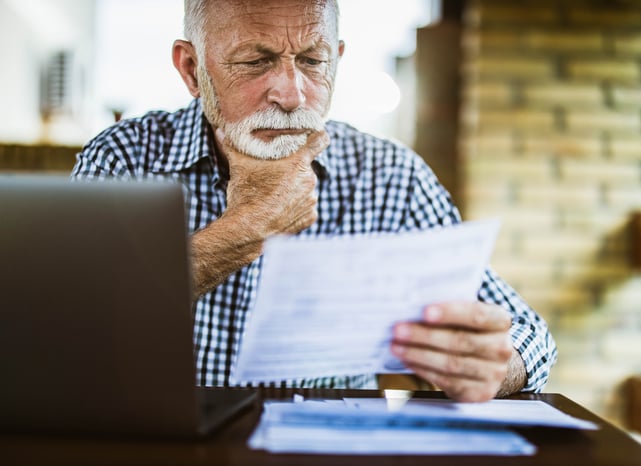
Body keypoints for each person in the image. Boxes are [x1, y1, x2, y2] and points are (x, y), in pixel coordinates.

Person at [71, 0, 557, 402]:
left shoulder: (389, 175)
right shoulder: (126, 158)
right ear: (193, 69)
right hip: (159, 444)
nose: (291, 93)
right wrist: (246, 228)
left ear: (337, 59)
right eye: (255, 61)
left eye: (312, 60)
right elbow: (67, 321)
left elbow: (529, 335)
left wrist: (495, 364)